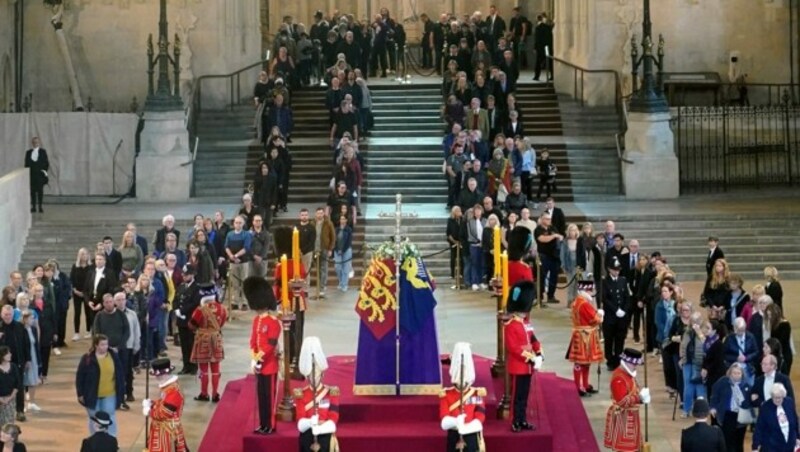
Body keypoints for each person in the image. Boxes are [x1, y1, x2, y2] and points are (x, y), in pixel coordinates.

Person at [244, 276, 281, 435]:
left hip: (269, 365)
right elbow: (253, 340)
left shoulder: (273, 322)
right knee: (261, 397)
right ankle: (263, 424)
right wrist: (254, 357)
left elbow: (271, 345)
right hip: (259, 364)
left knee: (269, 398)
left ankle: (270, 425)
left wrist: (259, 358)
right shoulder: (256, 320)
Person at [505, 281, 543, 432]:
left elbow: (533, 339)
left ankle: (523, 420)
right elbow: (513, 348)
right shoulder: (510, 325)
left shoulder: (526, 323)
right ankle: (516, 420)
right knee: (517, 397)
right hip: (519, 365)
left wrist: (539, 352)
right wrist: (531, 357)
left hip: (528, 367)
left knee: (525, 396)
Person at [294, 337, 340, 452]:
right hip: (308, 433)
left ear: (322, 375)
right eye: (310, 375)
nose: (313, 378)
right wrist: (310, 422)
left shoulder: (331, 393)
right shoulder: (301, 394)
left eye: (316, 374)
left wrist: (320, 429)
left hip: (325, 433)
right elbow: (300, 421)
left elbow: (333, 419)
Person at [439, 342, 486, 451]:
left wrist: (466, 428)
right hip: (454, 435)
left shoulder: (476, 393)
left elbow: (480, 417)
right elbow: (444, 420)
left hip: (471, 435)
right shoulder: (446, 395)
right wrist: (455, 422)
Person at [75, 334, 125, 437]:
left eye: (106, 344)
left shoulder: (113, 356)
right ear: (96, 345)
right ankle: (95, 439)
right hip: (92, 395)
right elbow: (80, 377)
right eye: (102, 344)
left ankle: (111, 440)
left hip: (110, 394)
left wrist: (122, 391)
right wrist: (80, 394)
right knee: (94, 418)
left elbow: (120, 375)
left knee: (110, 416)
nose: (105, 347)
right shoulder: (87, 358)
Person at [603, 348, 650, 452]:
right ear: (627, 362)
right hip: (622, 418)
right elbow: (622, 402)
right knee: (625, 449)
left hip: (630, 417)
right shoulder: (619, 378)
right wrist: (639, 398)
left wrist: (641, 399)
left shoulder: (627, 375)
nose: (635, 367)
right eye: (634, 364)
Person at [188, 284, 227, 403]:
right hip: (216, 338)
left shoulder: (200, 310)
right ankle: (215, 394)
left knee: (203, 369)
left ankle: (204, 393)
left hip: (203, 340)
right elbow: (222, 323)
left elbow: (191, 324)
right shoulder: (222, 308)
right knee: (216, 368)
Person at [566, 280, 604, 397]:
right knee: (581, 362)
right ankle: (579, 387)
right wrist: (601, 314)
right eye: (589, 290)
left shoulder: (577, 302)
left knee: (584, 362)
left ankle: (585, 385)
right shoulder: (584, 304)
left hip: (580, 334)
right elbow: (595, 319)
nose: (591, 292)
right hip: (585, 336)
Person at [142, 357, 188, 452]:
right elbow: (163, 403)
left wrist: (150, 411)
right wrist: (152, 404)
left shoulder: (173, 391)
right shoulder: (168, 387)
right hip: (164, 428)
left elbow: (164, 413)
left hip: (167, 431)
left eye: (158, 376)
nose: (156, 378)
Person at [709, 363, 752, 452]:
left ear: (742, 374)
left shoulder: (746, 386)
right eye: (734, 373)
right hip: (727, 415)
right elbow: (714, 395)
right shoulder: (723, 382)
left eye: (738, 373)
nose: (736, 375)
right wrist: (713, 407)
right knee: (727, 442)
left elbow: (748, 403)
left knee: (739, 443)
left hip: (741, 416)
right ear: (730, 373)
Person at [0, 307, 29, 423]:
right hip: (2, 363)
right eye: (6, 314)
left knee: (19, 386)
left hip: (17, 362)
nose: (8, 317)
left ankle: (20, 411)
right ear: (1, 315)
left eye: (10, 314)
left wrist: (28, 359)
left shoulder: (19, 326)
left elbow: (26, 344)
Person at [752, 383, 799, 452]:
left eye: (779, 397)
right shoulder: (765, 407)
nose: (777, 400)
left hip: (789, 444)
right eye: (774, 397)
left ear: (783, 396)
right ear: (771, 396)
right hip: (771, 446)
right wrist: (755, 446)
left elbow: (795, 420)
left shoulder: (789, 402)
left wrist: (798, 437)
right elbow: (759, 427)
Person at [603, 257, 630, 371]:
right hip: (610, 317)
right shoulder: (605, 282)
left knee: (620, 339)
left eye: (618, 270)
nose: (617, 272)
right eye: (614, 269)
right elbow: (605, 299)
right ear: (609, 269)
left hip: (621, 318)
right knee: (609, 340)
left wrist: (624, 310)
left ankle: (618, 359)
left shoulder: (623, 281)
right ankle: (610, 360)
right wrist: (615, 310)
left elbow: (627, 297)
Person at [680, 313, 708, 418]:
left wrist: (699, 333)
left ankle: (702, 411)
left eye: (696, 321)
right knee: (688, 387)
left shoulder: (704, 331)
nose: (694, 324)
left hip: (699, 363)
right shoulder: (687, 332)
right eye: (692, 321)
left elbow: (706, 345)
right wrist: (682, 358)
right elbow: (683, 345)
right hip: (687, 362)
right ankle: (686, 409)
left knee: (700, 387)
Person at [173, 266, 199, 376]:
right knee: (184, 344)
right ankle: (186, 366)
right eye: (183, 275)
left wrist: (183, 311)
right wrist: (176, 310)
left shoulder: (196, 288)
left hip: (191, 319)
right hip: (181, 320)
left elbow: (195, 303)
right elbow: (176, 299)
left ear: (192, 275)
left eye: (186, 275)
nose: (184, 277)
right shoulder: (181, 286)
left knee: (191, 343)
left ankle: (193, 366)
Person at [534, 211, 563, 304]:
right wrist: (554, 236)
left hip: (554, 256)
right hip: (544, 256)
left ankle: (551, 296)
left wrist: (558, 236)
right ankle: (540, 297)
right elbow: (542, 239)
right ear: (542, 219)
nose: (549, 220)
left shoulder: (553, 228)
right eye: (547, 219)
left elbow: (560, 237)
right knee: (542, 277)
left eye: (550, 219)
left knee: (554, 277)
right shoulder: (538, 229)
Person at [19, 314, 39, 414]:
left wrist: (39, 361)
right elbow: (22, 346)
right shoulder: (21, 330)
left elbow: (36, 345)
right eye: (31, 318)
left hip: (33, 357)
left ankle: (31, 402)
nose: (33, 320)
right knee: (23, 382)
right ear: (25, 319)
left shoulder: (33, 329)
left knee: (33, 380)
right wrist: (27, 360)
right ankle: (22, 404)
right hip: (25, 359)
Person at [71, 248, 92, 340]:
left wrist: (86, 292)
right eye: (82, 254)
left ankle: (88, 330)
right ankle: (76, 333)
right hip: (77, 293)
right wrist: (75, 290)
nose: (84, 256)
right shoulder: (75, 266)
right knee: (77, 313)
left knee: (88, 312)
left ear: (88, 255)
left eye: (85, 254)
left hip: (88, 293)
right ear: (79, 255)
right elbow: (71, 279)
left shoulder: (91, 267)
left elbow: (92, 280)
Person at [23, 137, 49, 213]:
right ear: (32, 143)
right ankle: (33, 206)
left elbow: (46, 163)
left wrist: (44, 172)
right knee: (32, 192)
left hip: (40, 175)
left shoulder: (43, 152)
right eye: (34, 142)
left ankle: (40, 206)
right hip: (32, 175)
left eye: (37, 142)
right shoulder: (28, 152)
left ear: (39, 143)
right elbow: (26, 164)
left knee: (40, 191)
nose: (35, 144)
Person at [333, 214, 353, 292]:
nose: (342, 220)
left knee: (346, 268)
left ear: (346, 220)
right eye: (341, 219)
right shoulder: (336, 229)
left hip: (346, 250)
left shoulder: (349, 229)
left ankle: (344, 284)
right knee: (337, 267)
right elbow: (334, 240)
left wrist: (343, 250)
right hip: (337, 250)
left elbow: (349, 241)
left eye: (343, 219)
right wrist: (337, 249)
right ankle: (341, 281)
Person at [0, 347, 19, 427]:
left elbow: (17, 385)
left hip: (10, 400)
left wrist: (10, 397)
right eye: (8, 353)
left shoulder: (14, 367)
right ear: (2, 356)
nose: (10, 354)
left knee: (9, 424)